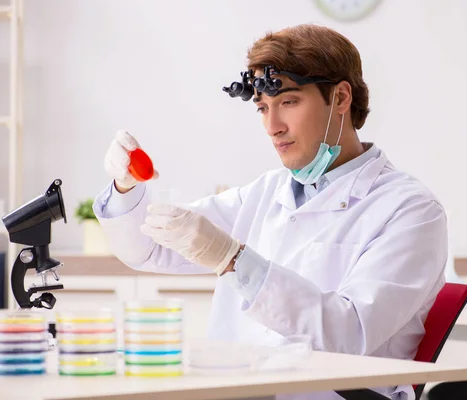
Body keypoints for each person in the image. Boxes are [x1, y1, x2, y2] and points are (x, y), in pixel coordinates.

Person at [94, 24, 447, 400]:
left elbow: (349, 335)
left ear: (341, 98)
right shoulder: (265, 192)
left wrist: (233, 260)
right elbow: (149, 250)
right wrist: (124, 187)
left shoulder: (410, 210)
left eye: (289, 103)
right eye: (263, 108)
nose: (272, 127)